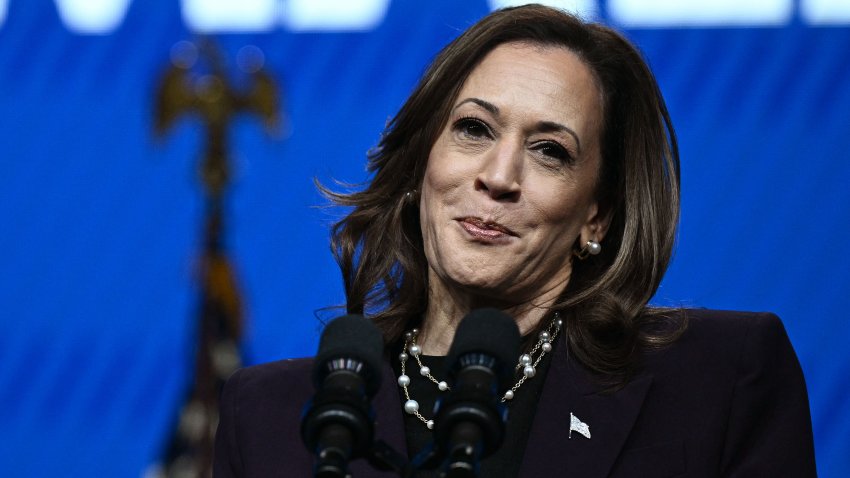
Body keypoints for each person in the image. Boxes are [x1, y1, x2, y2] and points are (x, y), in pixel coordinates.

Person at [213, 4, 816, 477]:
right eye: (474, 129)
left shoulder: (716, 382)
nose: (499, 178)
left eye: (550, 152)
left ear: (596, 217)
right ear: (423, 161)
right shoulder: (271, 419)